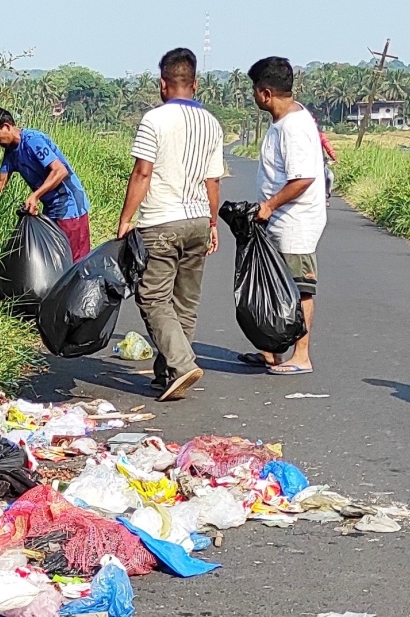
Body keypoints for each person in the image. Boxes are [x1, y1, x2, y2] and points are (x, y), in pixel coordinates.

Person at [116, 47, 226, 402]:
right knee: (185, 302)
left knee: (152, 297)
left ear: (163, 84)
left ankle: (180, 363)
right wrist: (212, 222)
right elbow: (213, 181)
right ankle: (168, 374)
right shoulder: (212, 123)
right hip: (197, 218)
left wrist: (125, 218)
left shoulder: (154, 120)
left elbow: (142, 171)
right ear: (194, 84)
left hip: (161, 220)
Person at [243, 55, 326, 376]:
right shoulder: (287, 120)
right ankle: (271, 351)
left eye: (254, 90)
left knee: (300, 288)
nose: (254, 96)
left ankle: (300, 354)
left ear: (265, 93)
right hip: (281, 220)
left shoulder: (293, 127)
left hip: (296, 223)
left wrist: (270, 205)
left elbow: (303, 178)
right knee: (277, 286)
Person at [0, 108, 93, 262]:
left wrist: (35, 196)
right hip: (51, 208)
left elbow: (60, 171)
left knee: (75, 262)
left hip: (71, 208)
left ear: (7, 127)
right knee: (57, 259)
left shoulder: (32, 140)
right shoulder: (11, 153)